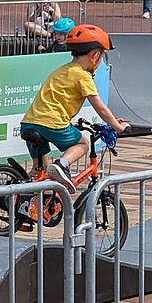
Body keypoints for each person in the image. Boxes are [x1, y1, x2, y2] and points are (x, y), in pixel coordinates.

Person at [22, 24, 129, 192]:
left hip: (29, 122)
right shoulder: (82, 76)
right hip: (53, 124)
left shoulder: (61, 70)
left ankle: (17, 198)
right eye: (101, 57)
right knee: (83, 143)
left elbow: (54, 101)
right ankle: (62, 164)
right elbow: (101, 108)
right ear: (95, 55)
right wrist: (118, 126)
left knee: (38, 171)